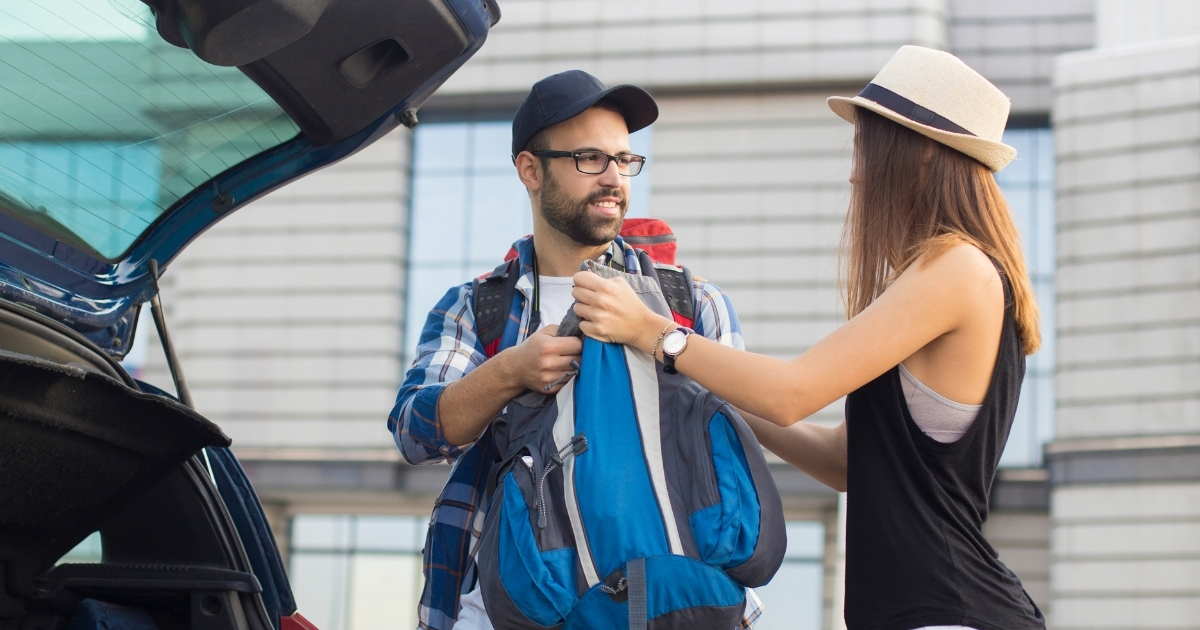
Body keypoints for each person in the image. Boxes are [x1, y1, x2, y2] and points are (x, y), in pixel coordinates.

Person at [570, 46, 1047, 630]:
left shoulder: (957, 269)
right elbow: (846, 460)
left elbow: (793, 392)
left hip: (949, 609)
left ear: (919, 155)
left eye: (865, 148)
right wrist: (699, 392)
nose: (855, 171)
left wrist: (657, 335)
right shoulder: (950, 273)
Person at [389, 70, 762, 630]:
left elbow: (730, 457)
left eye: (625, 160)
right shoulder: (477, 308)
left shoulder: (692, 303)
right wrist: (510, 371)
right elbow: (415, 433)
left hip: (671, 603)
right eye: (590, 158)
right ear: (530, 170)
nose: (614, 177)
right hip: (511, 609)